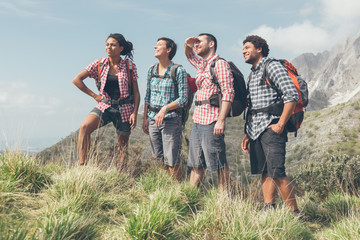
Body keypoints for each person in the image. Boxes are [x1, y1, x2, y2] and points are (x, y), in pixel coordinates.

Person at [241, 35, 301, 214]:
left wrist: (280, 124)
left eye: (247, 47)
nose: (243, 51)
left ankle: (295, 214)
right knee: (265, 171)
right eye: (243, 48)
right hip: (255, 130)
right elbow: (252, 107)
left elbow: (291, 95)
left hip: (272, 126)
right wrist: (247, 134)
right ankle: (269, 209)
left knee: (277, 171)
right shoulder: (252, 74)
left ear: (259, 49)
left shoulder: (272, 66)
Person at [72, 33, 140, 168]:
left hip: (125, 107)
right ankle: (83, 166)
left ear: (121, 48)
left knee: (122, 146)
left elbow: (136, 93)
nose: (109, 47)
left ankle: (121, 174)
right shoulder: (99, 64)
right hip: (105, 105)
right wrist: (94, 96)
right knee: (84, 128)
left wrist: (134, 112)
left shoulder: (129, 66)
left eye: (113, 45)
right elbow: (77, 80)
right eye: (107, 44)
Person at [184, 33, 234, 192]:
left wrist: (221, 120)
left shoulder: (219, 64)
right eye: (196, 42)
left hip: (212, 119)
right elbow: (189, 55)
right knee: (196, 162)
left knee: (218, 163)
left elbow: (228, 92)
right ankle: (189, 196)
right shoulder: (203, 65)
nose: (196, 44)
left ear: (211, 44)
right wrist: (188, 43)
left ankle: (224, 200)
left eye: (200, 42)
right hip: (198, 119)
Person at [142, 37, 189, 182]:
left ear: (168, 50)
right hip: (152, 119)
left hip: (171, 120)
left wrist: (165, 109)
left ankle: (176, 193)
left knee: (172, 160)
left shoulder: (178, 70)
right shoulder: (151, 70)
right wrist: (145, 118)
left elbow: (183, 99)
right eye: (156, 44)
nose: (155, 47)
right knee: (158, 159)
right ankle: (163, 189)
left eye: (159, 45)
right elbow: (147, 96)